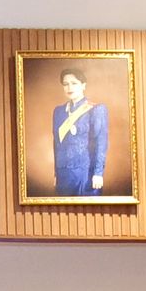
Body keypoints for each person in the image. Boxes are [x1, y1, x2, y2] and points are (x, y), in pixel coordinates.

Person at [50, 68, 110, 196]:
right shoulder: (59, 112)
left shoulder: (96, 109)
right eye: (65, 84)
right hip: (63, 174)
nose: (69, 87)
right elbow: (57, 144)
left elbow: (101, 143)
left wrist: (98, 173)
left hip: (85, 173)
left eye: (74, 83)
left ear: (83, 85)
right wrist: (56, 173)